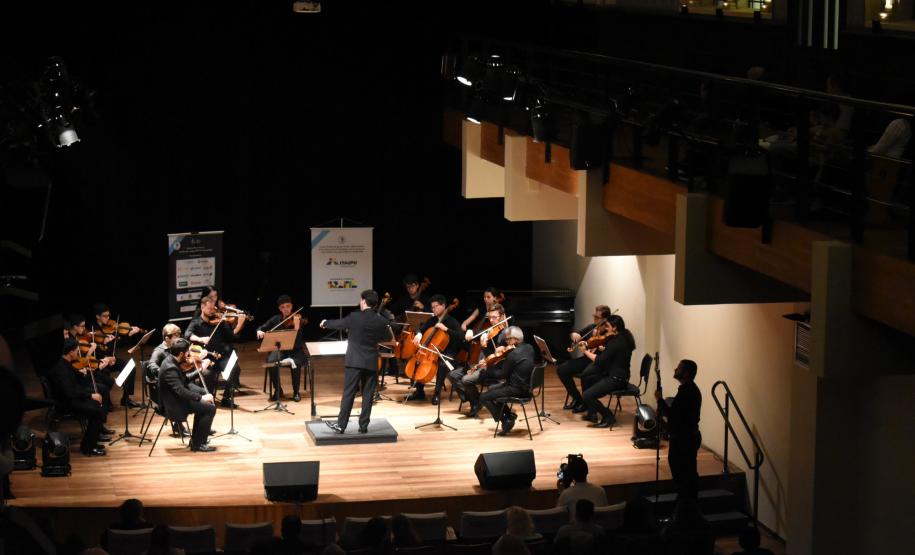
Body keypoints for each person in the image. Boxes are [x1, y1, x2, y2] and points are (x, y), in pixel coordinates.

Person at [320, 290, 394, 434]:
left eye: (360, 300)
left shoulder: (354, 317)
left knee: (349, 393)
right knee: (368, 395)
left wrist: (325, 323)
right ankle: (363, 426)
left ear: (364, 301)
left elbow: (339, 324)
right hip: (371, 362)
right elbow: (387, 337)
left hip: (354, 361)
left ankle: (341, 425)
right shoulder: (381, 320)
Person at [48, 339, 109, 456]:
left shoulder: (65, 363)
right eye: (76, 351)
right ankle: (88, 447)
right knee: (97, 411)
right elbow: (69, 392)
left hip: (71, 398)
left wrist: (93, 371)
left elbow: (80, 380)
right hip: (66, 403)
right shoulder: (61, 369)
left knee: (98, 407)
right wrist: (91, 395)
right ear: (70, 352)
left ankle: (92, 440)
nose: (78, 353)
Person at [185, 296, 247, 407]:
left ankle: (227, 397)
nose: (213, 311)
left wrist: (239, 324)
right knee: (208, 374)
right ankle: (208, 398)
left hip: (220, 356)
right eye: (210, 309)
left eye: (214, 308)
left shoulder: (221, 322)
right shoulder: (196, 323)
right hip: (205, 358)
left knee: (235, 368)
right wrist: (200, 339)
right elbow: (188, 334)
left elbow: (231, 336)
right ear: (202, 307)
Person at [156, 338, 217, 452]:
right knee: (210, 409)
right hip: (174, 405)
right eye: (187, 352)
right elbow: (181, 391)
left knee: (204, 403)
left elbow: (184, 380)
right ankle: (199, 444)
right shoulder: (170, 368)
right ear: (181, 354)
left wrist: (202, 392)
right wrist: (201, 397)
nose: (189, 354)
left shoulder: (172, 360)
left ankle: (196, 441)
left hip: (176, 398)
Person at [655, 359, 702, 500]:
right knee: (688, 474)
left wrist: (659, 400)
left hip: (683, 440)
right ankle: (687, 506)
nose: (675, 370)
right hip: (688, 437)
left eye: (679, 368)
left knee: (683, 476)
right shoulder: (690, 389)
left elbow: (672, 415)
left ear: (686, 374)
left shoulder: (687, 392)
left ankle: (685, 507)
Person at [579, 314, 636, 428]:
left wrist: (585, 351)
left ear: (615, 327)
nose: (606, 329)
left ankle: (609, 416)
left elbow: (599, 361)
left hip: (617, 379)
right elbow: (615, 353)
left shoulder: (616, 342)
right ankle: (592, 413)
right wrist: (605, 349)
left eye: (608, 326)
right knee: (587, 378)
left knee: (587, 396)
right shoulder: (623, 337)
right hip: (619, 375)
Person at [454, 303, 510, 417]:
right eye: (490, 317)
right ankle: (476, 403)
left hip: (497, 369)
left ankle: (478, 402)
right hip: (488, 365)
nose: (492, 320)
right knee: (458, 376)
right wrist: (483, 341)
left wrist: (489, 350)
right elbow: (488, 353)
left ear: (502, 316)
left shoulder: (506, 333)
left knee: (465, 380)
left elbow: (502, 355)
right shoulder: (492, 330)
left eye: (495, 317)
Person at [407, 294, 463, 404]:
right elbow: (422, 329)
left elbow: (461, 337)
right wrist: (418, 334)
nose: (433, 309)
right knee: (417, 361)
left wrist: (446, 329)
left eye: (436, 306)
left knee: (442, 365)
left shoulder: (452, 322)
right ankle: (419, 391)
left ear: (443, 306)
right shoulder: (432, 320)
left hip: (448, 352)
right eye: (432, 307)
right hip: (431, 351)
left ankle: (437, 393)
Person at [479, 326, 534, 435]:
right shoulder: (529, 348)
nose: (506, 341)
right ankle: (509, 414)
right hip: (526, 387)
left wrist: (486, 370)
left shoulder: (513, 354)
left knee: (483, 397)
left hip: (516, 389)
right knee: (491, 389)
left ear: (516, 339)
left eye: (508, 339)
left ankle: (506, 420)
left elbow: (501, 375)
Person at [558, 305, 613, 412]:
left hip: (598, 363)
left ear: (605, 319)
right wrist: (574, 335)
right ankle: (578, 399)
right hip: (586, 360)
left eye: (597, 317)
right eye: (594, 316)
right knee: (561, 369)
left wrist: (601, 348)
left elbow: (608, 354)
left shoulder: (609, 333)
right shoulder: (592, 327)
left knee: (586, 375)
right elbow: (577, 333)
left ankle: (586, 403)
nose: (594, 319)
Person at [256, 294, 307, 402]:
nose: (286, 309)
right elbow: (262, 327)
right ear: (280, 308)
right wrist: (259, 331)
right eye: (283, 307)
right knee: (271, 361)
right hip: (281, 349)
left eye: (288, 306)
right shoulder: (276, 319)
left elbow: (297, 340)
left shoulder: (298, 319)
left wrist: (297, 327)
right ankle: (278, 390)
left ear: (291, 306)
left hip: (295, 350)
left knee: (296, 363)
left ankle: (296, 392)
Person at [92, 303, 142, 408]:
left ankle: (126, 398)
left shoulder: (110, 328)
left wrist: (129, 335)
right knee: (105, 373)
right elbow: (94, 352)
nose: (108, 318)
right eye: (105, 316)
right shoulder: (92, 329)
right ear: (98, 316)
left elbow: (119, 345)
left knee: (129, 367)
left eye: (108, 315)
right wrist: (105, 355)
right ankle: (107, 402)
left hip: (111, 359)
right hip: (99, 362)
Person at [556, 456, 608, 522]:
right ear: (587, 471)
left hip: (574, 531)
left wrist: (560, 492)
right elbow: (605, 515)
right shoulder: (600, 491)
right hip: (596, 530)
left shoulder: (566, 494)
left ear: (571, 475)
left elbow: (557, 516)